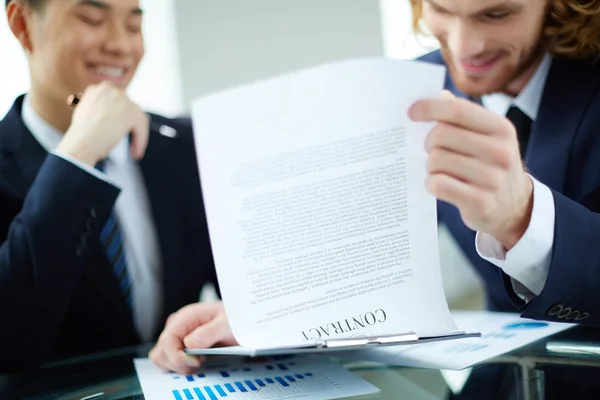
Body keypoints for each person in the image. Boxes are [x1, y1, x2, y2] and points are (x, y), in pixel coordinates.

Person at [149, 0, 600, 380]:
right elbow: (355, 250)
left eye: (497, 14)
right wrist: (261, 320)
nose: (464, 47)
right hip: (500, 381)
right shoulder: (416, 88)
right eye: (443, 9)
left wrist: (523, 216)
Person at [0, 0, 222, 373]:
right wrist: (77, 156)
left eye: (134, 26)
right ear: (22, 23)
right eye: (92, 19)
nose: (121, 45)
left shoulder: (187, 146)